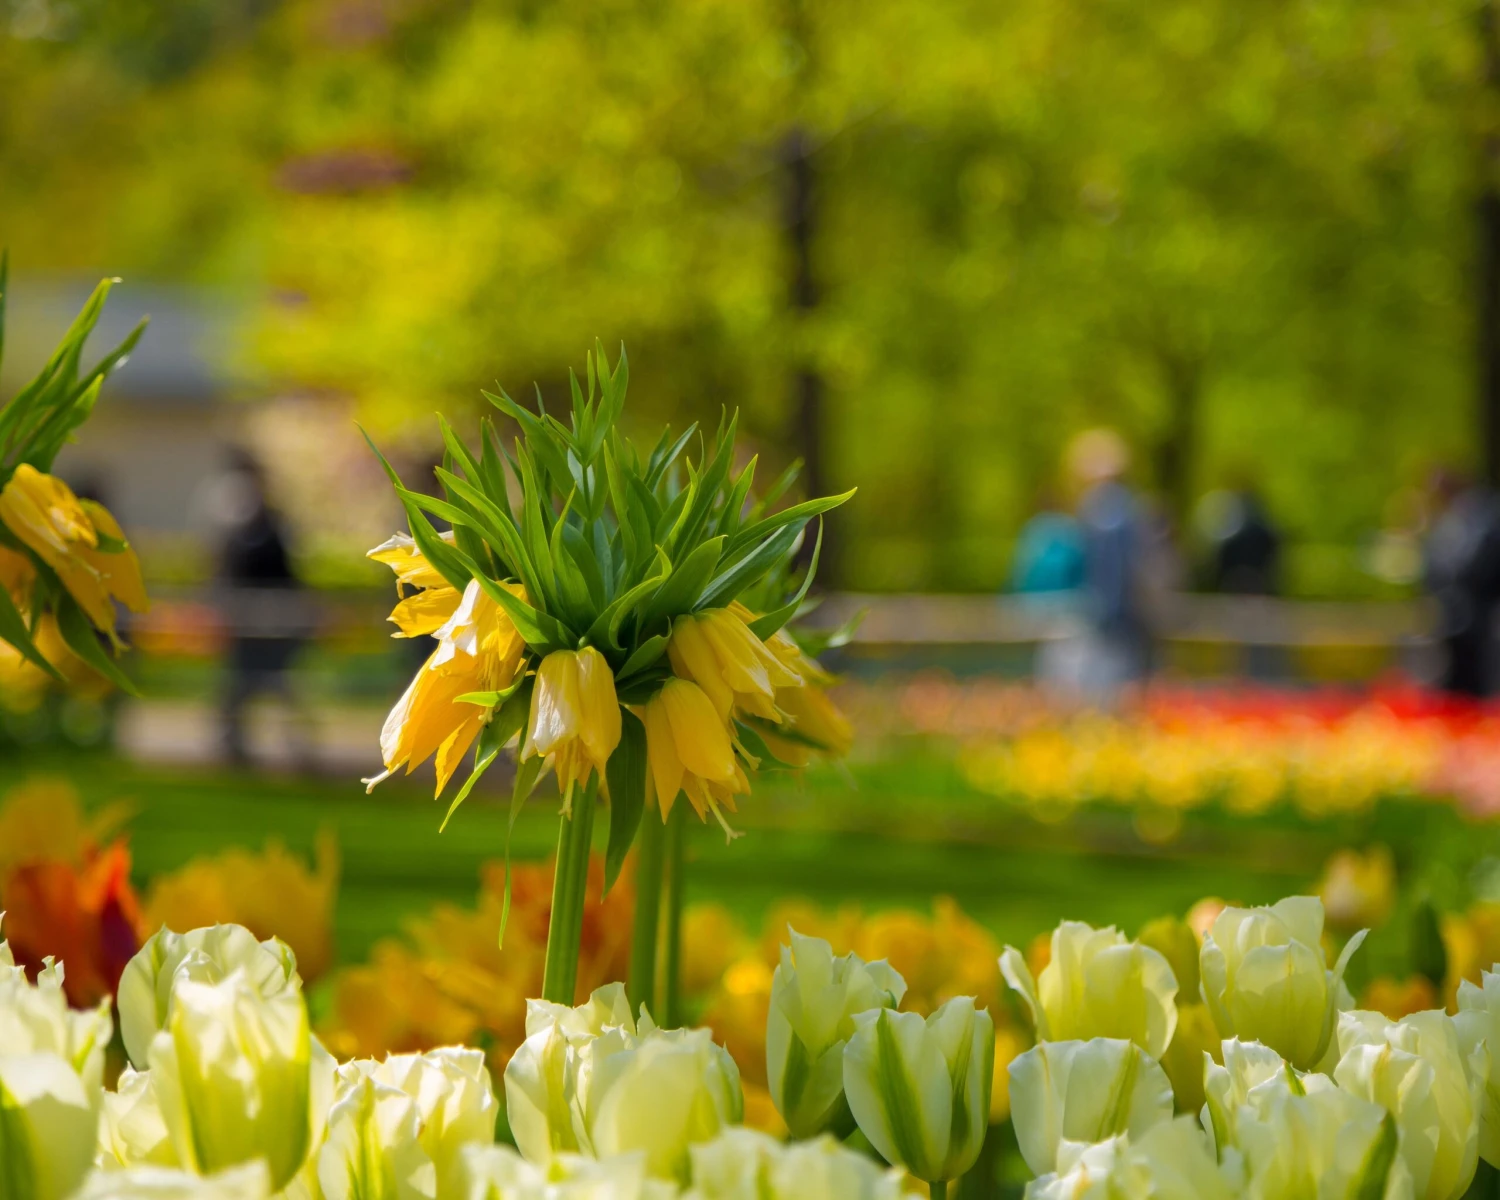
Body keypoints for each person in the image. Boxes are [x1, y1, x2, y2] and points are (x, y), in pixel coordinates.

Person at [210, 448, 312, 764]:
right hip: (245, 611)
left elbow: (288, 567)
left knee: (274, 681)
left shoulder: (271, 521)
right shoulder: (233, 514)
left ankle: (295, 744)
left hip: (272, 611)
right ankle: (232, 743)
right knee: (242, 683)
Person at [1065, 429, 1160, 701]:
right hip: (1131, 611)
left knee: (1109, 686)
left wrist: (1106, 611)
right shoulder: (1130, 506)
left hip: (1111, 613)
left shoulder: (1101, 510)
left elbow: (1109, 571)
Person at [1422, 468, 1500, 697]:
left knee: (1477, 673)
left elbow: (1477, 562)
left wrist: (1453, 579)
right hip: (1451, 611)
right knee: (1454, 674)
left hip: (1478, 610)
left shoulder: (1481, 514)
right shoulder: (1449, 518)